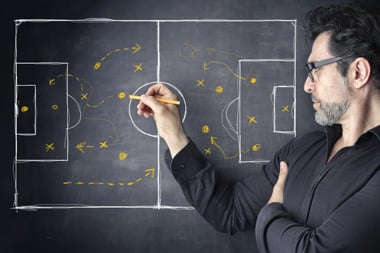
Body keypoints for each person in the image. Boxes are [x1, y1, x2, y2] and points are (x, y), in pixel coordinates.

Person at [136, 3, 380, 252]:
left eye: (314, 69)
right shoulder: (302, 150)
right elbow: (229, 212)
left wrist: (270, 212)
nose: (307, 85)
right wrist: (173, 133)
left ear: (358, 72)